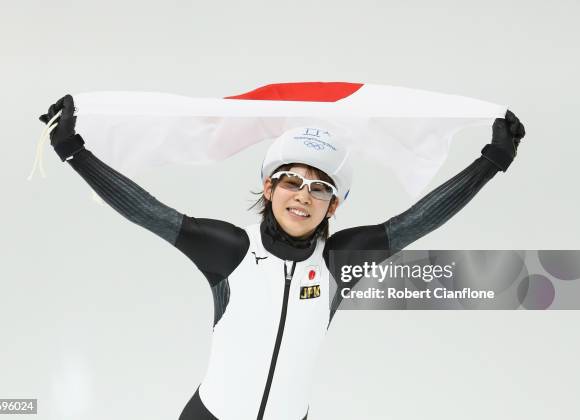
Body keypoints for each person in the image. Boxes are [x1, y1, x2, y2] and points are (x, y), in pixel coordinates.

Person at [39, 94, 525, 420]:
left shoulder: (340, 261)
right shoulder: (229, 249)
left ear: (333, 206)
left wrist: (492, 162)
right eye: (292, 181)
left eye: (320, 189)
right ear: (270, 188)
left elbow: (420, 219)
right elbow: (145, 210)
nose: (303, 196)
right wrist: (72, 150)